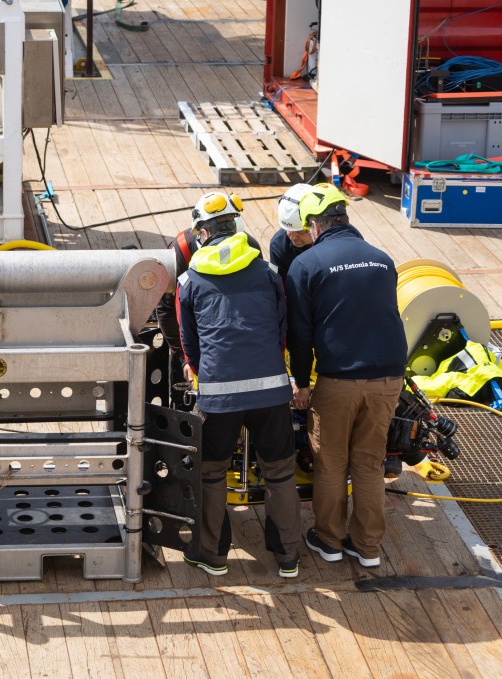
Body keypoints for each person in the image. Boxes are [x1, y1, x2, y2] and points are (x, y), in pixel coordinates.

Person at [177, 191, 304, 579]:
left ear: (202, 233)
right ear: (236, 227)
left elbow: (190, 344)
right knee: (280, 473)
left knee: (210, 473)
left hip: (219, 396)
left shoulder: (189, 280)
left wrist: (200, 371)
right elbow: (281, 329)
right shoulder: (268, 273)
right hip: (271, 391)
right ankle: (288, 558)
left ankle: (213, 556)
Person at [284, 183, 407, 569]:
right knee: (370, 464)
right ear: (345, 218)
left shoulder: (306, 265)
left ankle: (330, 541)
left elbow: (300, 334)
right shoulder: (382, 260)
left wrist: (301, 382)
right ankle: (368, 548)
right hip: (389, 378)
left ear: (313, 226)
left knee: (332, 463)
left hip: (339, 380)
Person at [154, 202, 263, 403]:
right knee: (183, 400)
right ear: (201, 236)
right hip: (191, 334)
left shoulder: (250, 248)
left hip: (235, 336)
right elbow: (167, 309)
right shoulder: (181, 251)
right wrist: (183, 358)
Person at [269, 183, 315, 283]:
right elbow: (279, 284)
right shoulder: (278, 246)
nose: (293, 237)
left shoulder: (334, 239)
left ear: (315, 225)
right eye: (289, 230)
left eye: (299, 231)